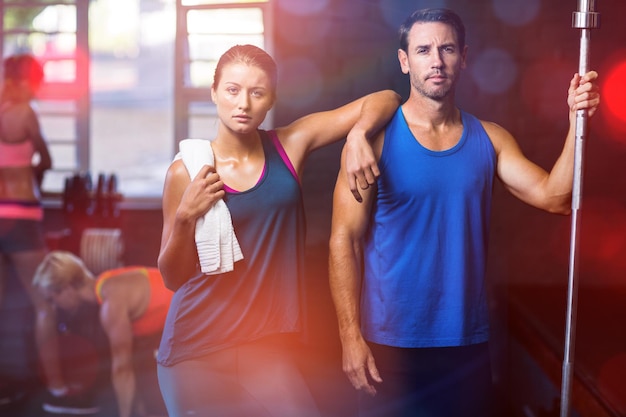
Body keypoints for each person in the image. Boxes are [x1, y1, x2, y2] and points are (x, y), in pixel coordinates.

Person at [328, 8, 600, 417]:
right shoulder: (373, 144)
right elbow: (342, 240)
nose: (436, 60)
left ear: (464, 56)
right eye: (423, 50)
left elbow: (555, 197)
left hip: (466, 343)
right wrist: (349, 337)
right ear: (405, 62)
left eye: (447, 48)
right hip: (389, 344)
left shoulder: (490, 139)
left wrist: (576, 122)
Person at [156, 44, 401, 417]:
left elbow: (387, 98)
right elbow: (173, 278)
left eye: (257, 92)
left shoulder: (290, 144)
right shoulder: (186, 173)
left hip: (263, 347)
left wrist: (358, 135)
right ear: (214, 92)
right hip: (196, 348)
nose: (243, 103)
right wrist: (186, 217)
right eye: (232, 90)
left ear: (270, 99)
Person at [33, 250, 172, 417]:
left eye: (52, 299)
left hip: (196, 319)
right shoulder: (107, 281)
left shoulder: (110, 304)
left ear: (67, 289)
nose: (54, 306)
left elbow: (122, 369)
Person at [0, 54, 57, 404]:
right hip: (21, 215)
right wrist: (31, 179)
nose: (37, 90)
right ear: (23, 81)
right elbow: (46, 160)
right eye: (35, 82)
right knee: (44, 301)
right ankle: (57, 386)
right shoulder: (26, 113)